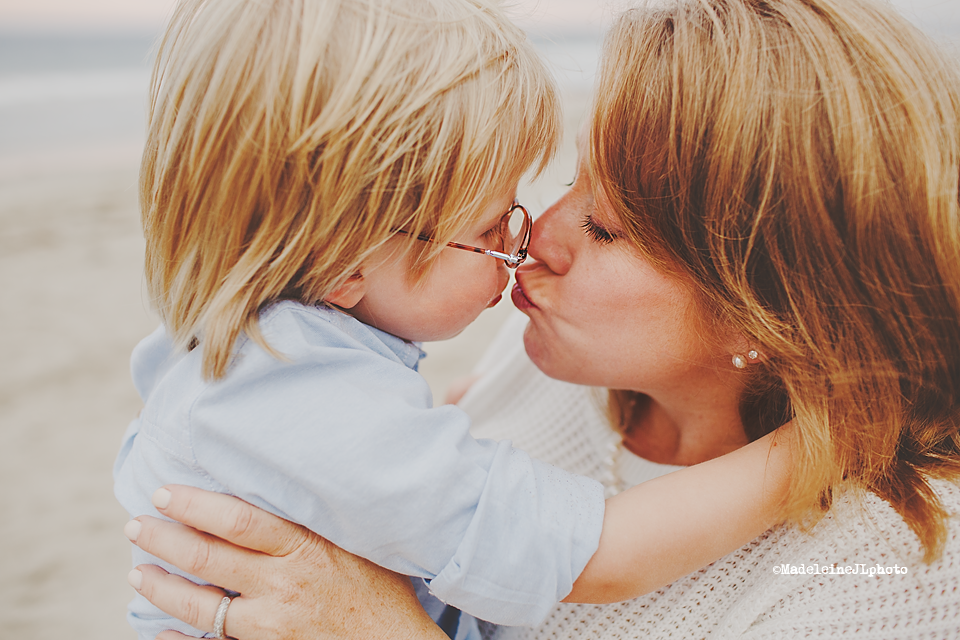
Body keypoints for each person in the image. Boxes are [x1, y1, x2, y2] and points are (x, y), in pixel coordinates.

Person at [121, 0, 960, 637]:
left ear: (773, 314)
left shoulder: (893, 571)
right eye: (569, 181)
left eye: (604, 226)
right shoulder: (549, 354)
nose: (536, 239)